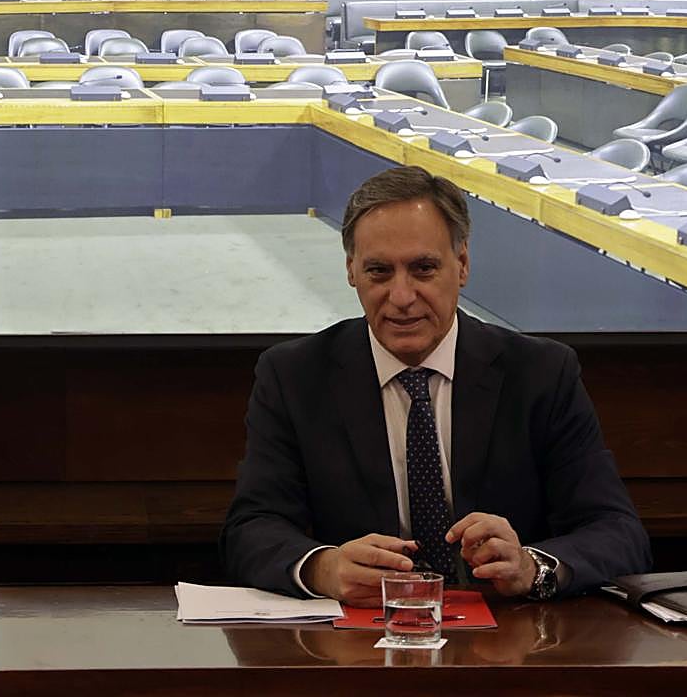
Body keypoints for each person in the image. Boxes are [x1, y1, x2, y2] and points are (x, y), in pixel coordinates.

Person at [221, 166, 650, 606]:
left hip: (508, 645)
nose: (402, 296)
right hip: (358, 648)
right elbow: (251, 530)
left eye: (423, 269)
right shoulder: (294, 376)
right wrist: (323, 568)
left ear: (462, 265)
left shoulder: (541, 372)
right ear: (351, 271)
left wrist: (530, 567)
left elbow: (618, 533)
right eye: (379, 272)